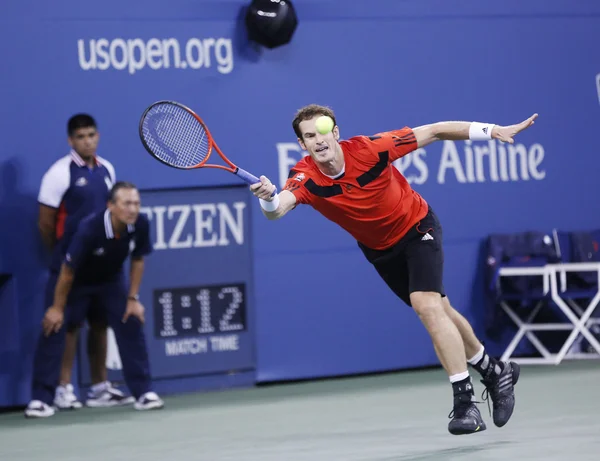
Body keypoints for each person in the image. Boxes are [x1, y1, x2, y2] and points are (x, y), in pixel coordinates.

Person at [250, 104, 538, 435]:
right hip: (380, 251)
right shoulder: (305, 177)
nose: (319, 140)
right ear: (302, 145)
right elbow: (278, 208)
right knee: (439, 309)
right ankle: (493, 370)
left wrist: (491, 130)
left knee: (426, 305)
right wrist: (268, 198)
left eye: (323, 131)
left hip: (417, 228)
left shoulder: (370, 150)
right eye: (309, 136)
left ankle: (465, 403)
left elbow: (434, 129)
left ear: (337, 132)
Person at [25, 182, 164, 417]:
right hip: (74, 279)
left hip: (109, 279)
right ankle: (42, 399)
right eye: (126, 204)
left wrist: (132, 298)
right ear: (111, 206)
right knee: (54, 325)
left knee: (130, 318)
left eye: (136, 203)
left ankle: (144, 392)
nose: (132, 209)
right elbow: (68, 270)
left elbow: (138, 258)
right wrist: (58, 308)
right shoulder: (90, 228)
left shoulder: (140, 223)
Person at [37, 113, 131, 409]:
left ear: (98, 136)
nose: (87, 141)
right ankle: (64, 388)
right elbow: (45, 222)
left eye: (91, 135)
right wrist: (65, 252)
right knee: (68, 325)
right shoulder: (58, 173)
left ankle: (99, 387)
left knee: (100, 323)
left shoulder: (107, 170)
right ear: (70, 140)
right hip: (71, 262)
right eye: (80, 136)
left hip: (101, 266)